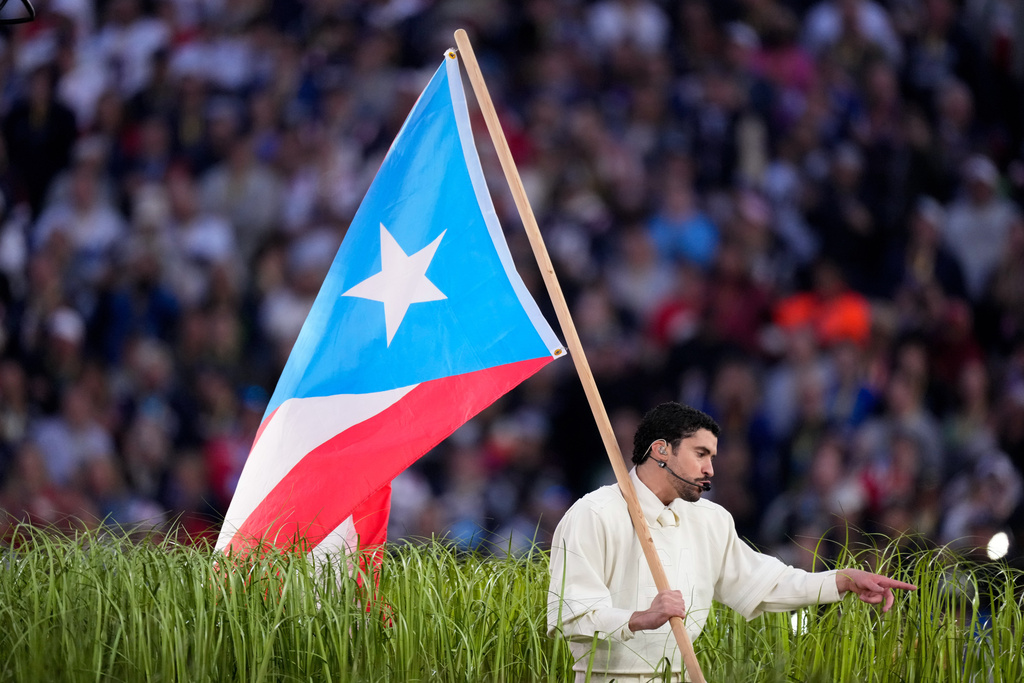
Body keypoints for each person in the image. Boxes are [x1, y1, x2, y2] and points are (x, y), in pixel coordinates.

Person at [547, 402, 916, 682]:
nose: (710, 470)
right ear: (660, 450)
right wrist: (640, 618)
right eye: (700, 454)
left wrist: (841, 580)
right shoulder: (593, 514)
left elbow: (766, 582)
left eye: (712, 457)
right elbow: (569, 616)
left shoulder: (712, 519)